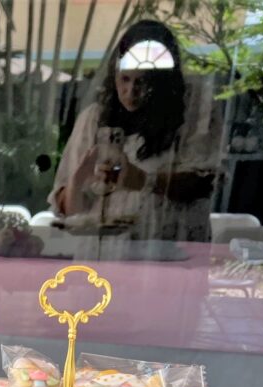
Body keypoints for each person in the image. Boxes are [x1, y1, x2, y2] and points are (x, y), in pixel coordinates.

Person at [50, 20, 217, 242]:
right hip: (104, 251)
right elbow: (69, 210)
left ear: (162, 82)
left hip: (166, 248)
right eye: (125, 79)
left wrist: (143, 180)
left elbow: (205, 183)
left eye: (143, 82)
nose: (131, 91)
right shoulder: (94, 118)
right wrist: (80, 178)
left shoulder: (192, 115)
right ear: (114, 75)